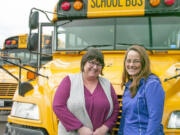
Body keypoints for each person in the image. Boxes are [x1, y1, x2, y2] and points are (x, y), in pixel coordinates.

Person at [53, 48, 119, 135]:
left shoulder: (107, 84)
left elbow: (115, 109)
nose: (95, 67)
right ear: (84, 63)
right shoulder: (69, 81)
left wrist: (105, 128)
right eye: (91, 62)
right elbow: (58, 106)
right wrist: (79, 127)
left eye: (98, 64)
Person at [118, 45, 165, 135]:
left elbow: (155, 119)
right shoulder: (128, 86)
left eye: (136, 61)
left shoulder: (152, 85)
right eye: (128, 61)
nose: (131, 65)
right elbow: (125, 118)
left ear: (143, 63)